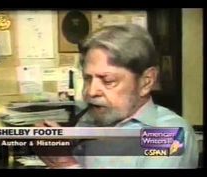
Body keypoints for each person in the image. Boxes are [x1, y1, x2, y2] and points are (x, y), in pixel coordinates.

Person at [35, 24, 199, 168]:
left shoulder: (168, 133)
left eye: (108, 81)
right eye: (87, 78)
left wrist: (65, 163)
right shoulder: (89, 120)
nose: (91, 92)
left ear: (146, 82)